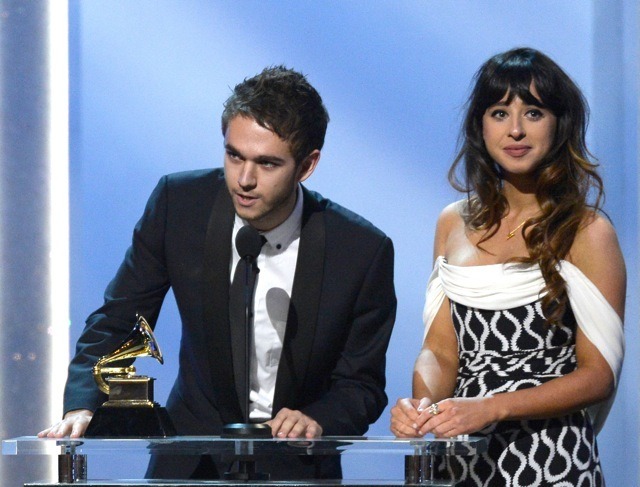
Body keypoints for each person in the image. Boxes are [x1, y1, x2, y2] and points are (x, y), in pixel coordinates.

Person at [39, 66, 397, 480]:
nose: (244, 180)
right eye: (234, 156)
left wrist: (316, 420)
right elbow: (121, 317)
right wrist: (84, 402)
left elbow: (361, 385)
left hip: (295, 468)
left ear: (307, 165)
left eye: (267, 163)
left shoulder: (360, 250)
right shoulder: (179, 205)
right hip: (191, 462)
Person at [390, 47, 625, 486]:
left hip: (551, 459)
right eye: (499, 113)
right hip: (461, 457)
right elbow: (440, 349)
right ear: (480, 125)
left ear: (560, 124)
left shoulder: (587, 231)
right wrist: (423, 406)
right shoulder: (451, 222)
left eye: (533, 113)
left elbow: (597, 377)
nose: (515, 130)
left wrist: (492, 406)